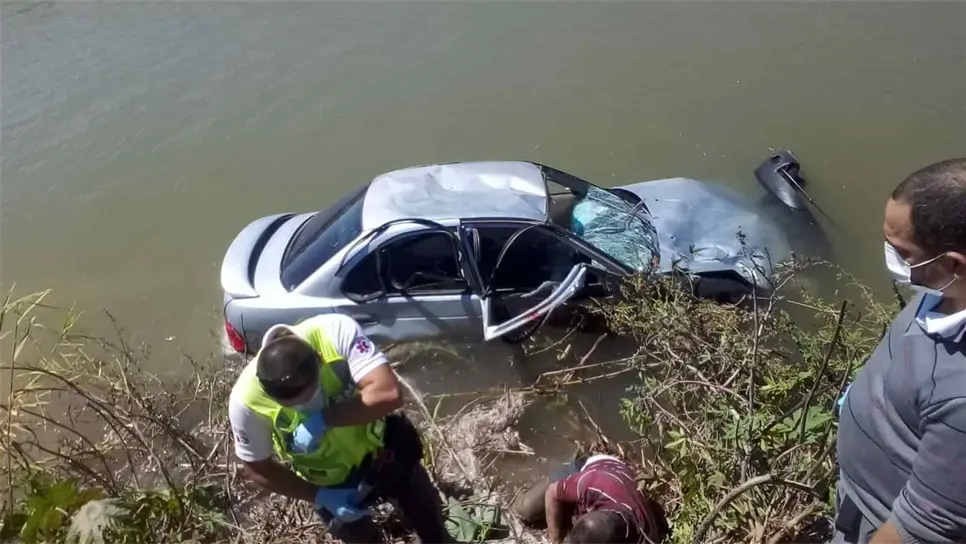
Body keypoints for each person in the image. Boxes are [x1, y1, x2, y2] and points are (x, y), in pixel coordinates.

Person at [834, 157, 966, 544]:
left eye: (901, 251)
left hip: (879, 523)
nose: (892, 259)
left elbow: (922, 529)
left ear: (954, 264)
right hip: (860, 497)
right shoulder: (944, 289)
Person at [228, 314, 448, 544]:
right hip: (331, 483)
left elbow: (388, 393)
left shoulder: (334, 332)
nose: (304, 406)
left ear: (319, 360)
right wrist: (319, 496)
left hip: (382, 450)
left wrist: (323, 419)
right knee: (362, 539)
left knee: (424, 511)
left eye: (310, 395)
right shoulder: (245, 402)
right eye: (294, 404)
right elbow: (257, 467)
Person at [512, 453, 669, 544]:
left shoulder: (645, 536)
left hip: (619, 487)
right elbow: (553, 493)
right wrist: (556, 539)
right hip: (595, 467)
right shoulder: (591, 484)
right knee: (525, 509)